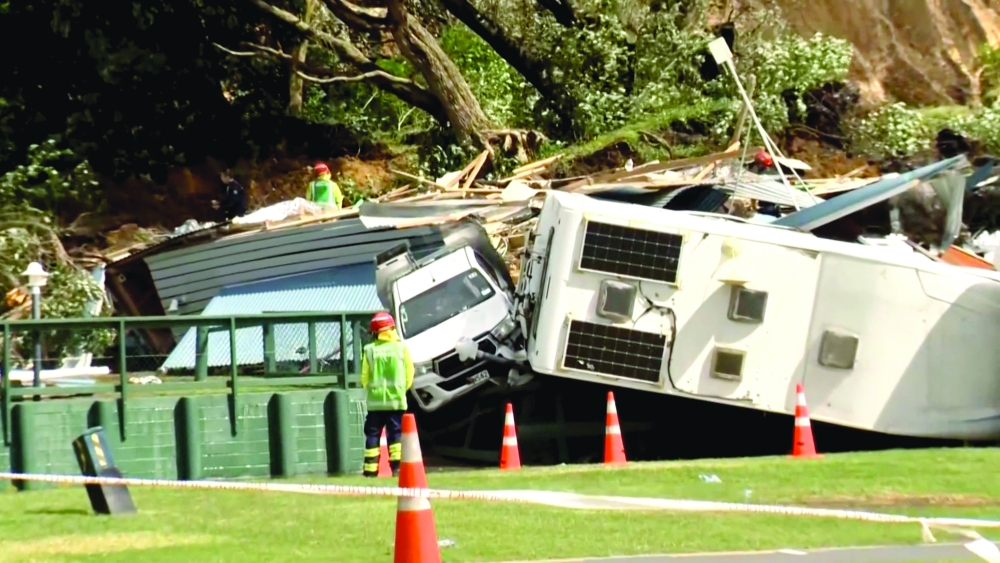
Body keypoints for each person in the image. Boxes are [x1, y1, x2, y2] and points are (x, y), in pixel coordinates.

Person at [360, 311, 414, 477]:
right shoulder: (402, 348)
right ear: (391, 329)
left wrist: (372, 390)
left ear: (375, 332)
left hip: (375, 403)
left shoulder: (369, 350)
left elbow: (364, 377)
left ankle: (370, 471)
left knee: (372, 435)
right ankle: (397, 469)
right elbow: (409, 373)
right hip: (396, 401)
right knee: (396, 435)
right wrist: (400, 390)